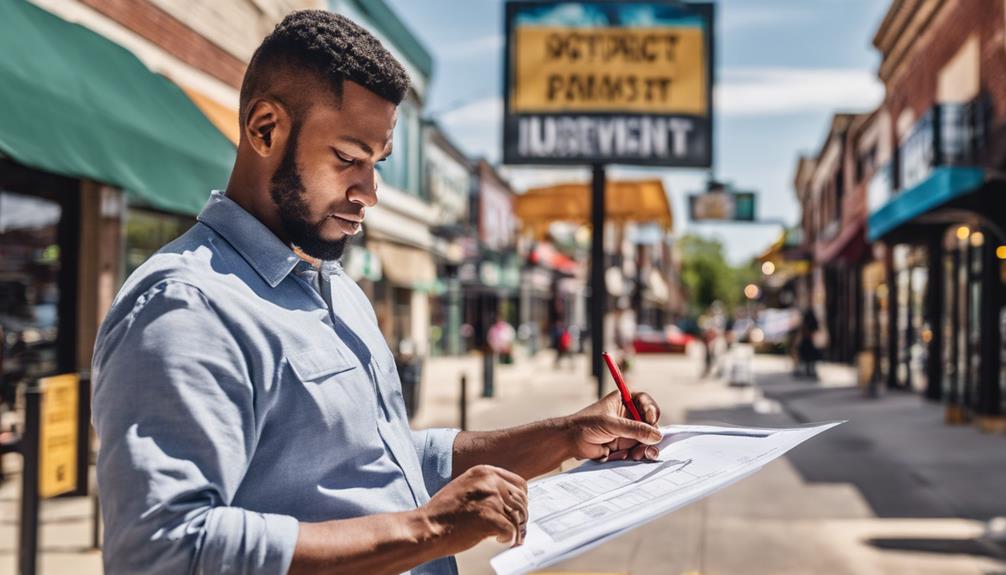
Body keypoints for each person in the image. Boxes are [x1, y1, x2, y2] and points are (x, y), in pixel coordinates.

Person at [91, 11, 664, 575]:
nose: (369, 193)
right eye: (347, 159)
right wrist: (426, 531)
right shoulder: (186, 307)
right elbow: (162, 550)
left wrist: (563, 437)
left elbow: (385, 465)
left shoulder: (334, 287)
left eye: (378, 163)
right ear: (265, 129)